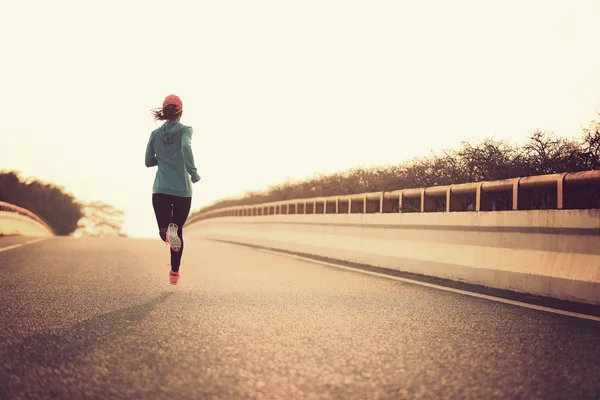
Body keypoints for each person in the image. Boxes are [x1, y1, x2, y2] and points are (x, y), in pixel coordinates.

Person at [145, 94, 201, 285]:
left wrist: (161, 158)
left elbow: (148, 161)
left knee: (165, 231)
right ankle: (174, 272)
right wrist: (193, 172)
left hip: (160, 189)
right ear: (181, 112)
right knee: (178, 229)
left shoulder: (155, 134)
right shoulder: (186, 130)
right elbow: (185, 147)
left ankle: (168, 233)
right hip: (182, 191)